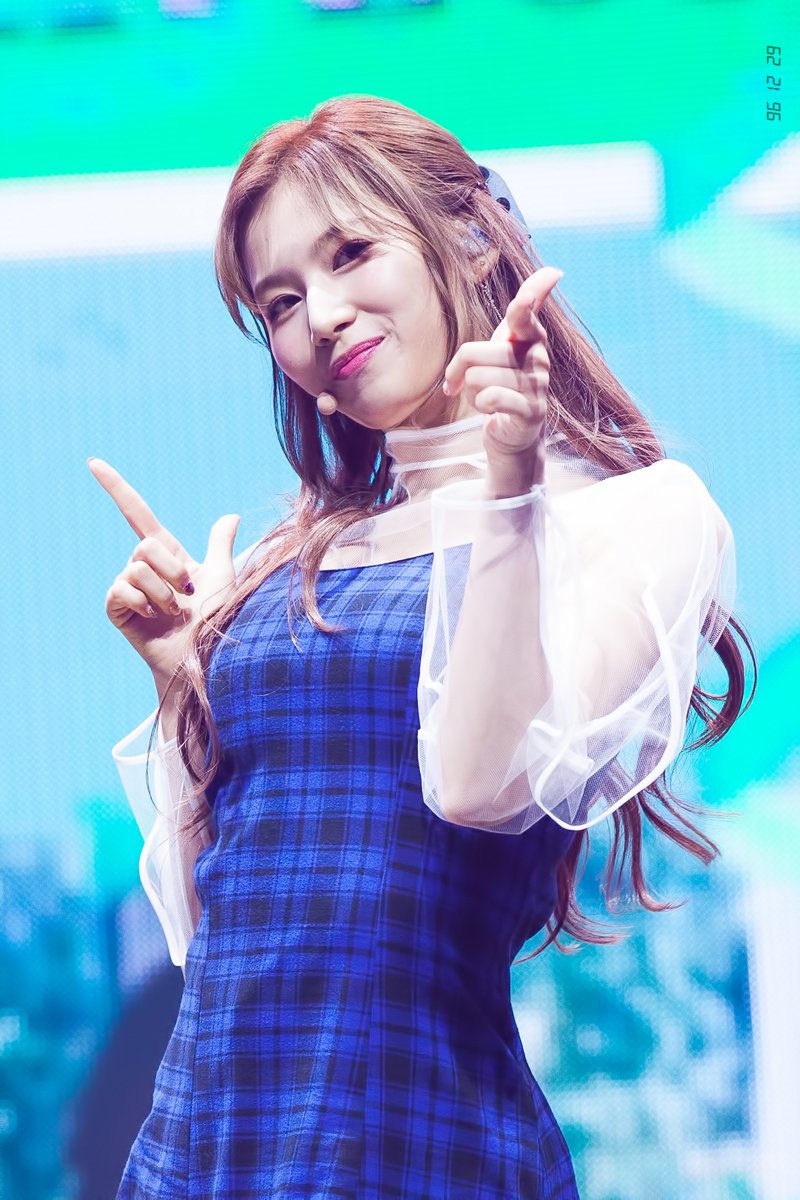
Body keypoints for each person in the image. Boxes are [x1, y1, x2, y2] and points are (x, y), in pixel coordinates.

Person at [89, 95, 753, 1199]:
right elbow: (220, 933)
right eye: (280, 302)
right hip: (206, 1137)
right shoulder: (288, 565)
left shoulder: (631, 520)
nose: (321, 317)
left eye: (351, 253)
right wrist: (182, 687)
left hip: (414, 1134)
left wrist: (507, 489)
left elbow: (479, 784)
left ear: (470, 236)